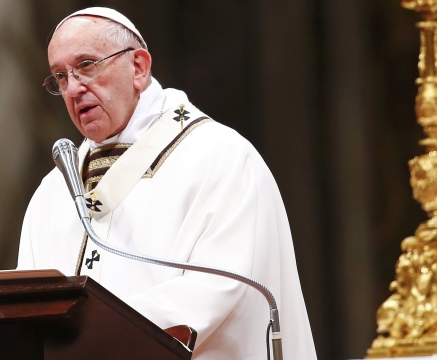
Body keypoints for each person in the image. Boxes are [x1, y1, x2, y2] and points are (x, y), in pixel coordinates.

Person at [17, 7, 317, 359]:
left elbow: (220, 288)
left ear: (139, 68)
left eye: (86, 65)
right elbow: (31, 304)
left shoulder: (220, 157)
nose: (73, 88)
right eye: (60, 76)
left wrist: (89, 334)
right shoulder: (54, 191)